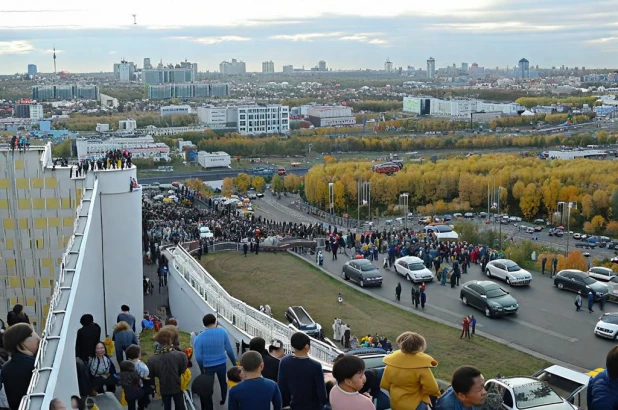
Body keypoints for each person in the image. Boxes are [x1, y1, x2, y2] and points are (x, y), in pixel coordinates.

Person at [380, 331, 441, 410]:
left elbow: (384, 385)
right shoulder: (421, 367)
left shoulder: (391, 364)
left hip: (395, 403)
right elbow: (432, 389)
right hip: (416, 405)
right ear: (420, 346)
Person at [194, 314, 236, 407]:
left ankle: (210, 406)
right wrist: (234, 363)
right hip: (221, 364)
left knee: (208, 387)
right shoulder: (223, 332)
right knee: (223, 383)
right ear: (215, 322)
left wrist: (202, 368)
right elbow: (229, 350)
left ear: (204, 324)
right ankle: (223, 399)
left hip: (208, 366)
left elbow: (198, 357)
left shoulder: (199, 338)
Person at [278, 332, 328, 410]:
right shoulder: (315, 366)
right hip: (314, 407)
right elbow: (321, 393)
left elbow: (282, 386)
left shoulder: (284, 361)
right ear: (307, 347)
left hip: (293, 405)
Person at [147, 326, 187, 410]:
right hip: (177, 384)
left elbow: (151, 376)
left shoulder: (152, 360)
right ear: (170, 340)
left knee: (167, 406)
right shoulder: (181, 355)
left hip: (164, 386)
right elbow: (183, 369)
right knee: (180, 405)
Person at [1, 323, 41, 410]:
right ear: (20, 342)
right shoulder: (36, 365)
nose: (38, 338)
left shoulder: (5, 368)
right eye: (31, 335)